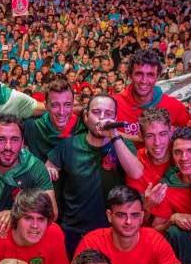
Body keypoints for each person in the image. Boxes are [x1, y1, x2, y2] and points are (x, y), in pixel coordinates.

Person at [68, 186, 185, 264]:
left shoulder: (154, 239)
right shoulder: (92, 241)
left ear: (142, 216)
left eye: (135, 215)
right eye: (121, 215)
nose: (128, 221)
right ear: (109, 215)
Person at [46, 94, 133, 254]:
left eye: (108, 114)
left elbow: (135, 172)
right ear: (86, 117)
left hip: (111, 231)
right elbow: (47, 169)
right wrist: (49, 171)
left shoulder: (122, 145)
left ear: (115, 118)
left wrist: (115, 136)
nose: (102, 118)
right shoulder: (68, 145)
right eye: (96, 112)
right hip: (73, 230)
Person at [0, 114, 54, 237]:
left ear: (22, 143)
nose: (8, 147)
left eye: (14, 140)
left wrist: (15, 214)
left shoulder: (35, 167)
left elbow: (53, 213)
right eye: (1, 139)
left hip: (25, 240)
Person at [111, 49, 190, 134]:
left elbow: (189, 136)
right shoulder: (114, 104)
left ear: (158, 76)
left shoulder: (174, 106)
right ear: (130, 75)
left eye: (150, 75)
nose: (144, 81)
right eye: (139, 74)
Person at [23, 77, 85, 159]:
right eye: (55, 105)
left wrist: (84, 110)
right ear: (46, 106)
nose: (61, 112)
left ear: (73, 105)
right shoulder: (33, 126)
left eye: (67, 105)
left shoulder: (82, 126)